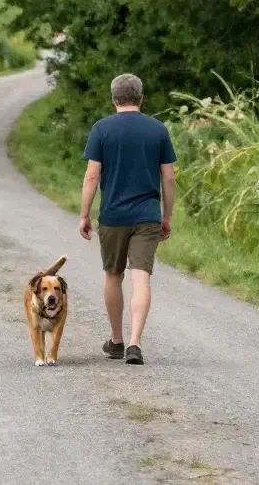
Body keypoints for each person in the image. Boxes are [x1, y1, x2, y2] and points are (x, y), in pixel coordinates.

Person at [77, 74, 176, 366]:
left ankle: (117, 340)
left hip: (113, 215)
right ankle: (135, 342)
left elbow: (92, 175)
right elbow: (168, 177)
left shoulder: (102, 129)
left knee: (113, 275)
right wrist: (166, 216)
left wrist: (84, 213)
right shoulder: (158, 130)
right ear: (141, 98)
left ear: (113, 98)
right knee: (141, 277)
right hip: (147, 215)